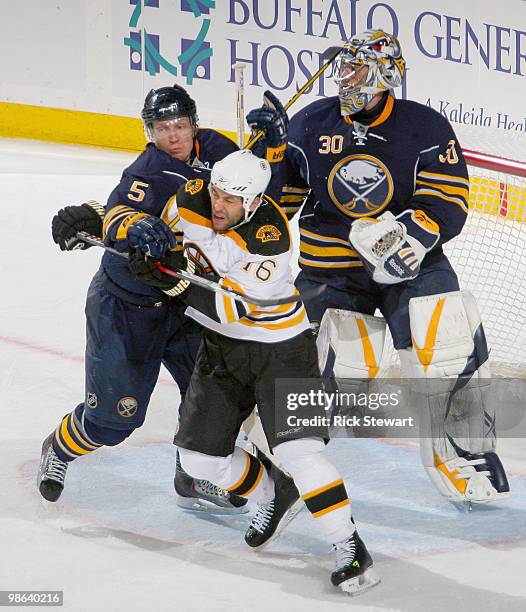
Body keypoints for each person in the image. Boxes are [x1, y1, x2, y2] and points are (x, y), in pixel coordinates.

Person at [246, 29, 510, 505]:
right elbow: (272, 207)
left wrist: (404, 239)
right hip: (332, 270)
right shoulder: (309, 124)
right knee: (319, 364)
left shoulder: (424, 127)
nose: (344, 77)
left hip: (414, 265)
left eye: (356, 67)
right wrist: (262, 157)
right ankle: (274, 463)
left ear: (385, 73)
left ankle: (465, 457)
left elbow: (448, 197)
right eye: (342, 67)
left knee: (447, 343)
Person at [127, 149, 380, 595]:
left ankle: (349, 545)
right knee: (197, 460)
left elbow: (230, 310)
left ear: (255, 201)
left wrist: (170, 279)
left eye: (231, 199)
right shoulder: (190, 198)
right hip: (221, 351)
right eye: (217, 192)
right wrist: (109, 224)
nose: (219, 204)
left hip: (282, 350)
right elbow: (157, 231)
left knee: (300, 453)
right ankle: (271, 493)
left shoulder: (269, 239)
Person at [38, 84, 249, 513]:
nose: (172, 135)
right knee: (113, 423)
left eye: (179, 125)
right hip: (128, 307)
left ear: (194, 123)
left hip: (185, 301)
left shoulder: (222, 152)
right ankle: (58, 449)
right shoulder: (146, 171)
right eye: (161, 127)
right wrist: (132, 226)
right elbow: (118, 213)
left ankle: (191, 475)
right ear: (149, 132)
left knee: (210, 401)